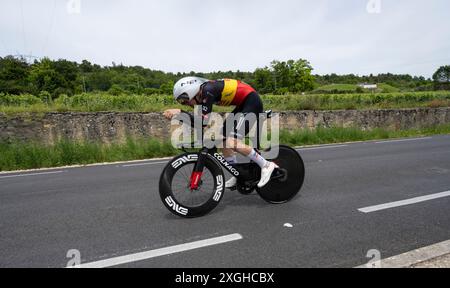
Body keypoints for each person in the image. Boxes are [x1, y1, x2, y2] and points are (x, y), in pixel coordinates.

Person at [163, 76, 278, 189]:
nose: (185, 104)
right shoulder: (201, 96)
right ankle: (238, 173)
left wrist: (180, 112)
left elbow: (202, 122)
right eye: (181, 102)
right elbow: (200, 123)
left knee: (231, 141)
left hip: (251, 102)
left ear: (191, 90)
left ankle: (266, 165)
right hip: (243, 105)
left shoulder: (208, 91)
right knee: (222, 141)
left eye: (184, 100)